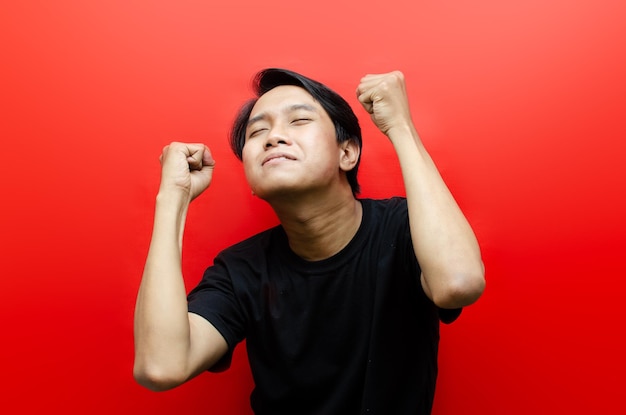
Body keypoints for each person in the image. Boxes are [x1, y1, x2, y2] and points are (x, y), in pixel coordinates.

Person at [133, 68, 485, 414]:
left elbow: (459, 283)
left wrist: (400, 128)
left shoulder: (407, 228)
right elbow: (161, 366)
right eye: (258, 131)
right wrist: (173, 199)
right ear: (252, 180)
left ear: (347, 153)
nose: (273, 137)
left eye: (298, 121)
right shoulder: (241, 270)